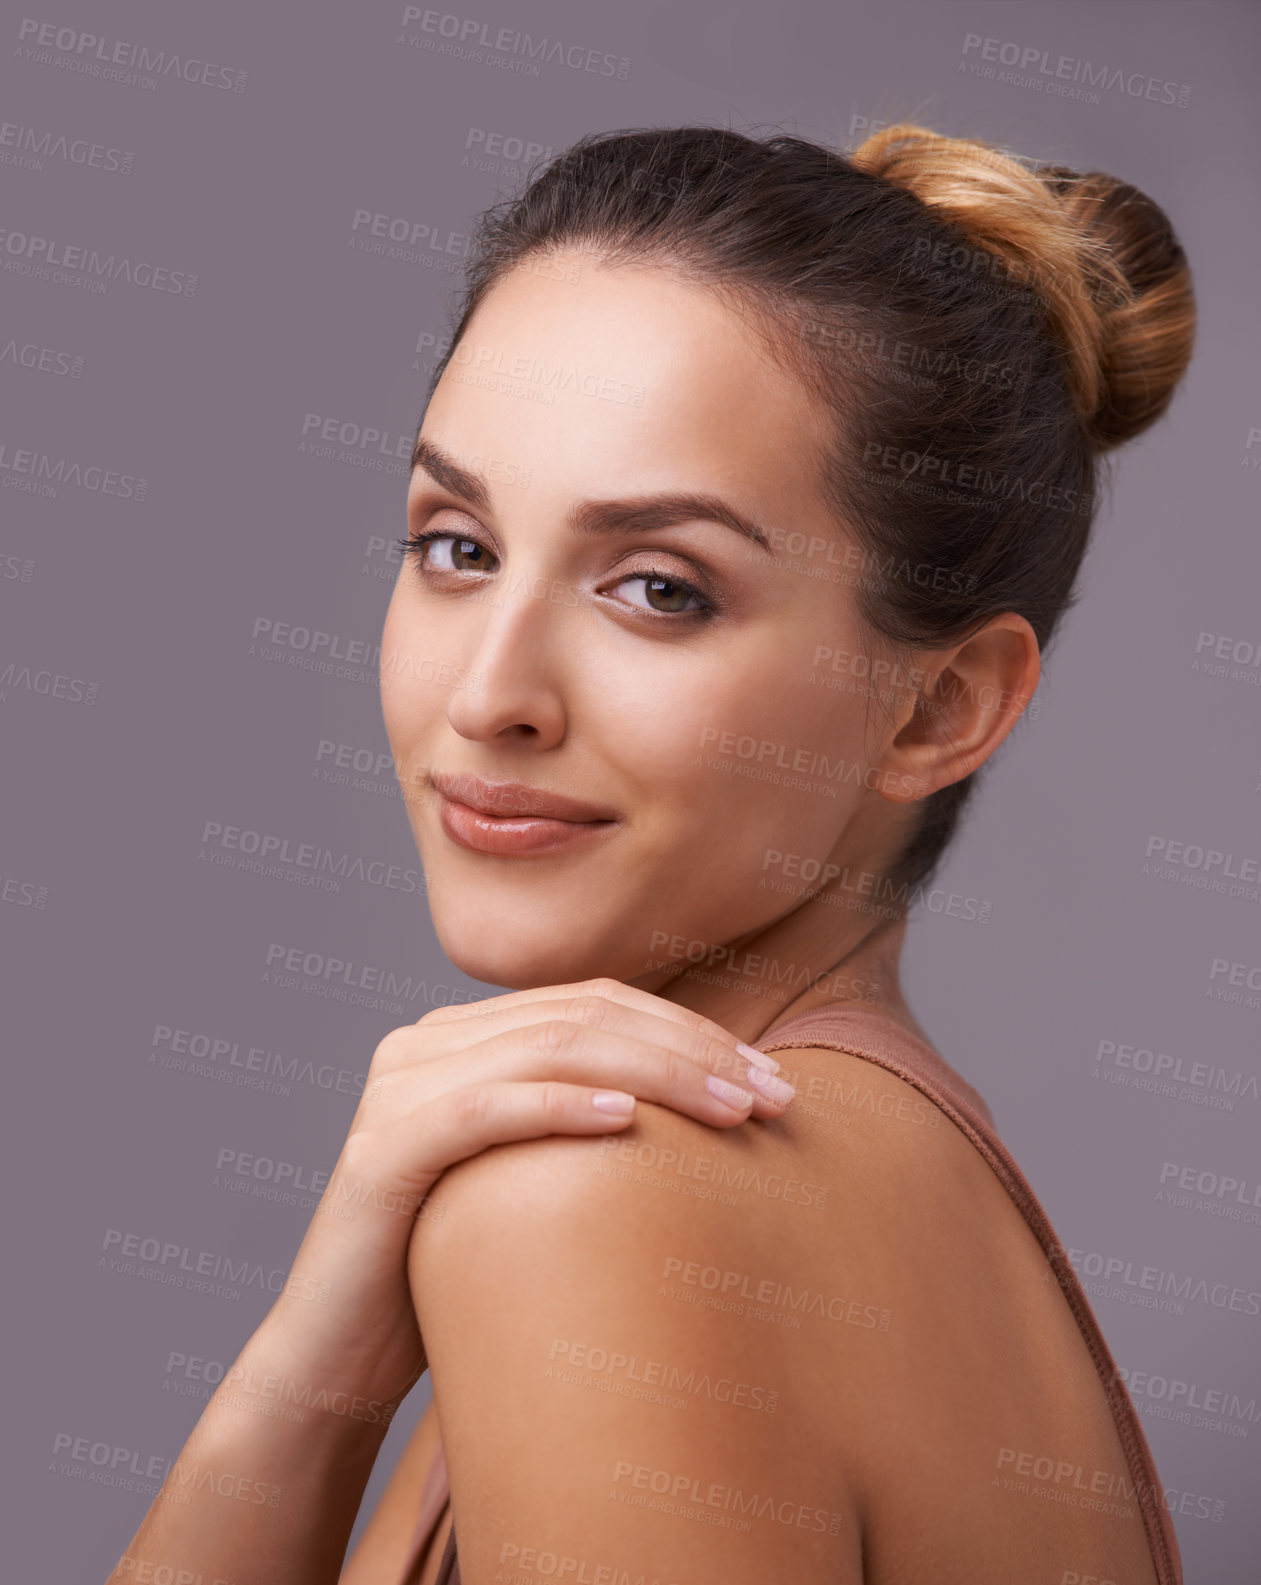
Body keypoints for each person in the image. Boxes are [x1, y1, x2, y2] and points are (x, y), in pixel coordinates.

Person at [106, 122, 1194, 1585]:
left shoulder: (607, 1202)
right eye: (457, 547)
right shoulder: (906, 1189)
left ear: (936, 707)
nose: (491, 694)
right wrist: (318, 1363)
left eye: (658, 588)